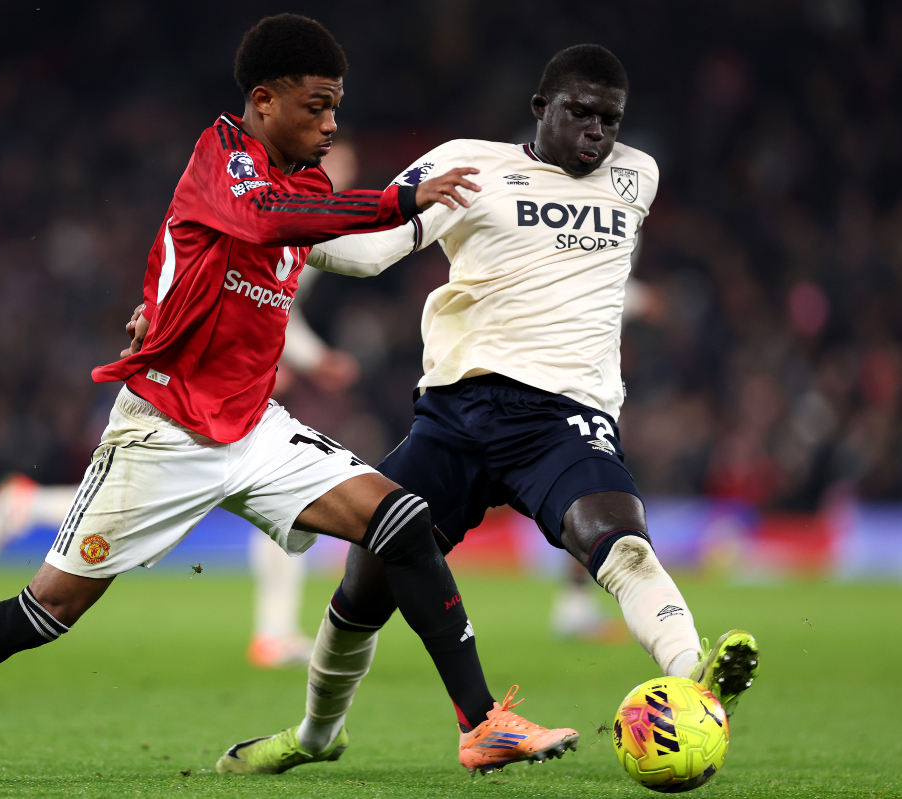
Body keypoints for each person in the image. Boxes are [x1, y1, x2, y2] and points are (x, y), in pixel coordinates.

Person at [0, 14, 560, 785]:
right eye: (317, 106)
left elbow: (290, 252)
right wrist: (400, 200)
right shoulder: (220, 155)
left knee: (400, 519)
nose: (331, 125)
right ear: (263, 101)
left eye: (336, 107)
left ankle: (481, 723)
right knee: (47, 610)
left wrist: (449, 219)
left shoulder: (307, 188)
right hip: (163, 428)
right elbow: (260, 218)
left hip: (254, 429)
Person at [214, 43, 759, 777]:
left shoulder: (638, 174)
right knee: (365, 579)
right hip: (458, 413)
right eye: (581, 113)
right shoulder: (467, 164)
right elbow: (369, 253)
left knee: (619, 540)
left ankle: (696, 677)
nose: (598, 132)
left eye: (610, 119)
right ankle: (316, 734)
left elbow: (571, 272)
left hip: (564, 417)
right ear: (540, 107)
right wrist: (258, 228)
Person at [0, 269, 359, 669]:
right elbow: (251, 297)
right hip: (194, 393)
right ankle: (27, 503)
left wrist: (288, 356)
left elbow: (275, 305)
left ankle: (275, 631)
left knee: (275, 504)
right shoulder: (295, 238)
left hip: (216, 387)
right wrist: (306, 358)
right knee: (133, 504)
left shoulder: (298, 240)